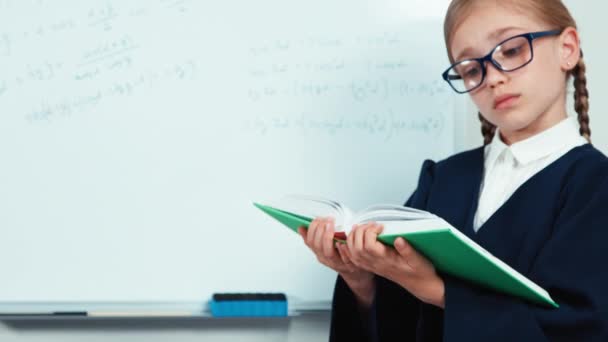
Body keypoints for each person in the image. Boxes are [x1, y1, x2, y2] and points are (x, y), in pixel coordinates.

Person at [298, 0, 608, 340]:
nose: (492, 77)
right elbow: (402, 321)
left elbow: (580, 330)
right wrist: (361, 281)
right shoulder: (442, 180)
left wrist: (439, 291)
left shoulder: (595, 186)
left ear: (567, 49)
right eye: (472, 69)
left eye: (512, 50)